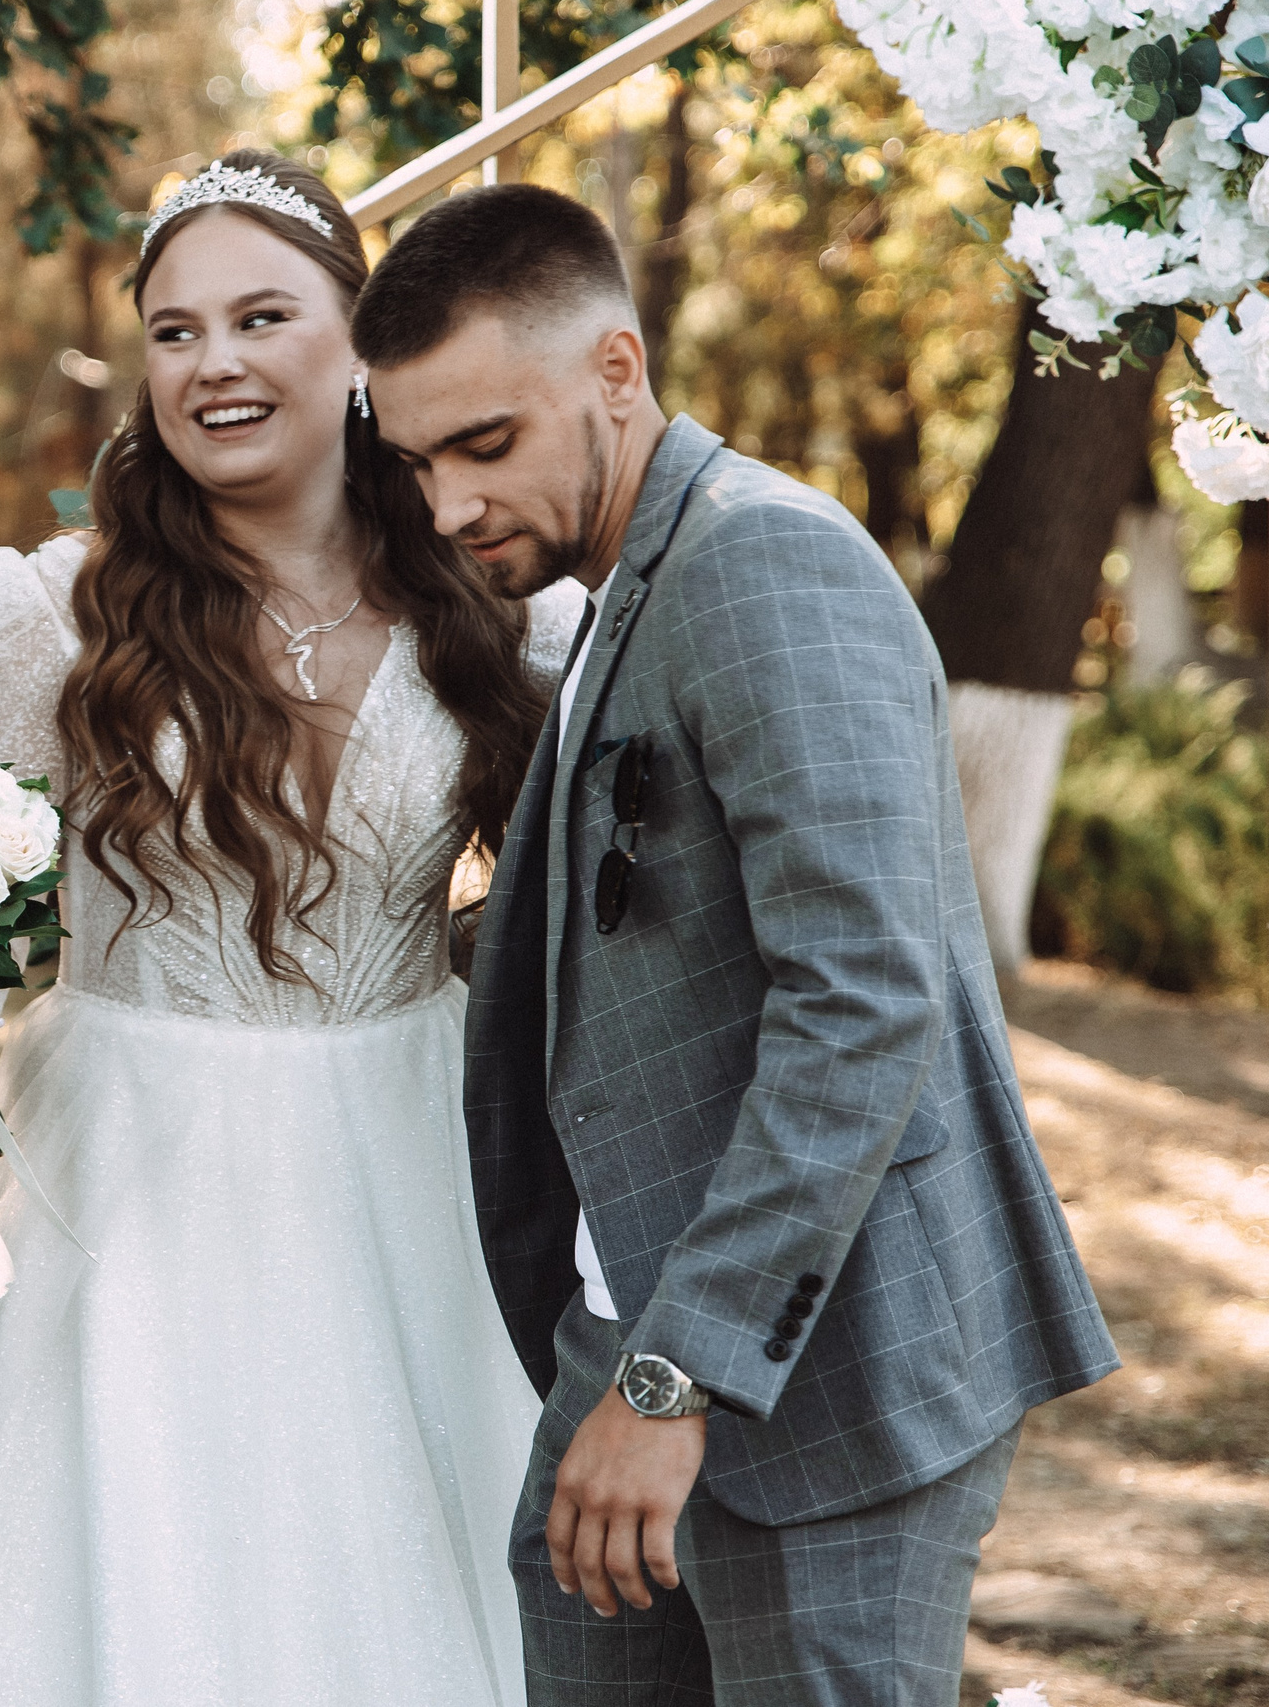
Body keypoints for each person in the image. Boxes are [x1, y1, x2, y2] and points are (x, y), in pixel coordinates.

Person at [0, 152, 584, 1705]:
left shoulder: (501, 610)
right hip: (126, 1176)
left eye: (259, 316)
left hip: (407, 1161)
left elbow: (561, 917)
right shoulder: (51, 615)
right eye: (172, 331)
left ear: (360, 342)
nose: (211, 361)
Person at [354, 182, 1119, 1705]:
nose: (446, 506)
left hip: (813, 1377)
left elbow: (860, 1001)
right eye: (418, 458)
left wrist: (670, 1375)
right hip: (622, 1342)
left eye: (485, 445)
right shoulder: (622, 585)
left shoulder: (767, 562)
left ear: (617, 371)